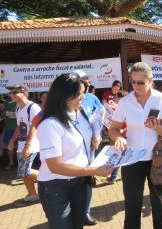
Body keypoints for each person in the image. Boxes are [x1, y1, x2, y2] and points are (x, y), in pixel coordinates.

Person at [36, 73, 112, 229]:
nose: (83, 97)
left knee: (78, 225)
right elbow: (55, 166)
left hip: (80, 182)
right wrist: (93, 170)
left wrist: (92, 139)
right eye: (79, 94)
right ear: (64, 95)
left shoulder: (81, 111)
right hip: (55, 186)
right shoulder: (50, 124)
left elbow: (84, 133)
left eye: (84, 92)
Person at [109, 62, 162, 229]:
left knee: (159, 206)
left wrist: (157, 127)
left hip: (157, 159)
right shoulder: (125, 101)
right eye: (133, 82)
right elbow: (113, 129)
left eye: (140, 82)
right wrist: (118, 139)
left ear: (150, 80)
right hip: (132, 160)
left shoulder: (161, 99)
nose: (136, 86)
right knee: (132, 206)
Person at [73, 69, 104, 226]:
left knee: (88, 179)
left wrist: (97, 135)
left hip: (90, 147)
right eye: (85, 79)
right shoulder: (64, 100)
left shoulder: (91, 97)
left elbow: (99, 114)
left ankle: (85, 212)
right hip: (72, 150)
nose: (88, 82)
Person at [6, 84, 42, 205]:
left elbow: (34, 127)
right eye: (11, 93)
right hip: (21, 144)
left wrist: (27, 146)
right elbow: (18, 127)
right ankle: (32, 194)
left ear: (23, 93)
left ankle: (52, 177)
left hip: (32, 143)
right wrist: (12, 140)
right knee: (23, 173)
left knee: (25, 171)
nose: (11, 95)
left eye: (14, 92)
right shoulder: (17, 108)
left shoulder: (33, 107)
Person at [1, 96, 17, 169]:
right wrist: (9, 112)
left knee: (22, 144)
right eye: (11, 92)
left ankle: (23, 164)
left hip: (19, 127)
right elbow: (2, 114)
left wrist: (9, 112)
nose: (12, 94)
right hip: (9, 127)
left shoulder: (19, 101)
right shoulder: (6, 102)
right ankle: (11, 163)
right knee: (9, 145)